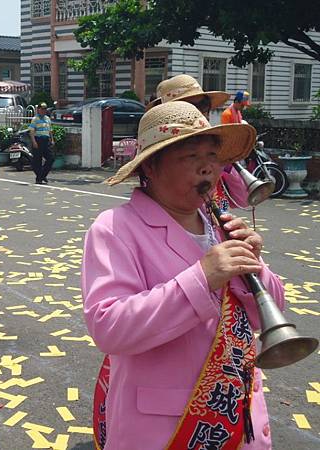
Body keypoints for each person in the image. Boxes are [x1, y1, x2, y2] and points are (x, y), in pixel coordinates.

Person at [83, 101, 285, 449]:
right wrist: (202, 277)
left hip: (237, 414)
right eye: (191, 156)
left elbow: (264, 316)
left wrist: (256, 267)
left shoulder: (219, 225)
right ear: (152, 166)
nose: (208, 167)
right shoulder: (115, 228)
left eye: (212, 155)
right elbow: (109, 327)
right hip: (169, 429)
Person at [156, 74, 249, 209]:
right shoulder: (159, 151)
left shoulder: (213, 148)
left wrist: (225, 164)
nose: (200, 113)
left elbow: (242, 200)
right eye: (191, 107)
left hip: (215, 215)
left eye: (204, 106)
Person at [29, 102, 55, 184]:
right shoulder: (35, 119)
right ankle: (39, 178)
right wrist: (34, 142)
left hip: (46, 140)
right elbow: (32, 131)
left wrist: (52, 139)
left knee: (51, 158)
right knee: (37, 160)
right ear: (38, 110)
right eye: (42, 109)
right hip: (38, 140)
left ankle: (43, 175)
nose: (43, 111)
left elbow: (50, 130)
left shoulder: (47, 119)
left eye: (44, 109)